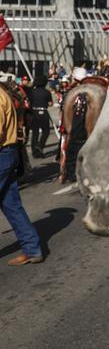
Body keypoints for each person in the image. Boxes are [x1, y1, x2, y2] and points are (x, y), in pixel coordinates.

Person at [1, 82, 43, 265]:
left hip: (2, 154)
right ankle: (33, 249)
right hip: (8, 153)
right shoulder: (3, 93)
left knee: (12, 206)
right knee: (11, 206)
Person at [26, 78, 52, 158]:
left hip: (34, 113)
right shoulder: (47, 92)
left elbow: (28, 101)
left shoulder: (32, 92)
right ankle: (40, 146)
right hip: (43, 112)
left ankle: (34, 152)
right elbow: (50, 103)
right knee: (46, 131)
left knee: (35, 133)